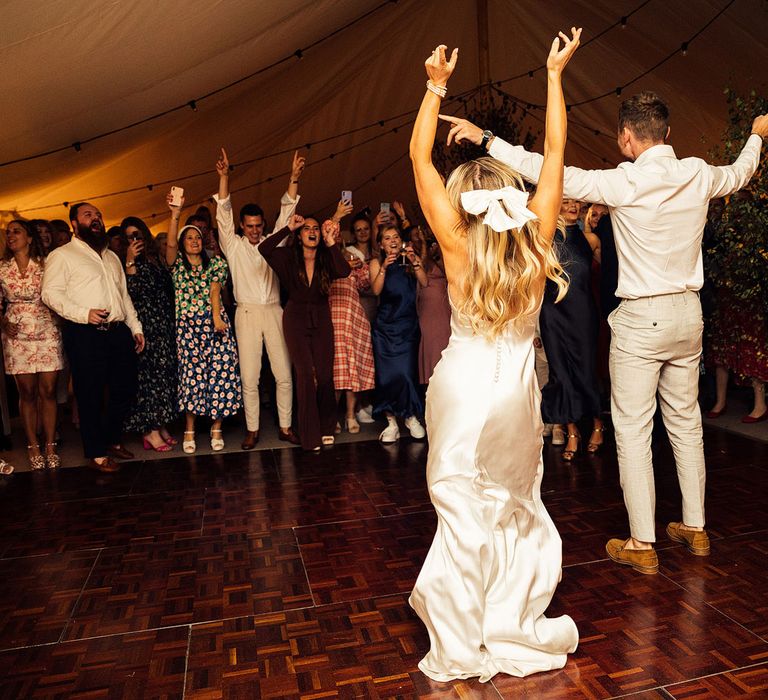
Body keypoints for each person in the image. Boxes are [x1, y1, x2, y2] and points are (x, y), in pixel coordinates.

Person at [443, 93, 768, 573]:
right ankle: (695, 527)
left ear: (626, 138)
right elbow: (741, 172)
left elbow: (547, 169)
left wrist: (487, 139)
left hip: (642, 318)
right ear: (668, 135)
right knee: (686, 422)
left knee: (634, 431)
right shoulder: (698, 172)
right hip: (688, 314)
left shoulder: (623, 181)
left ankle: (643, 542)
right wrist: (758, 136)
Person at [408, 32, 581, 681]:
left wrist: (435, 85)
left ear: (466, 198)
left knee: (459, 508)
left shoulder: (454, 241)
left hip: (460, 383)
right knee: (512, 505)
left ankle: (460, 635)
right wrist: (555, 76)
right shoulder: (536, 237)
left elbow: (418, 153)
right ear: (510, 194)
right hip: (513, 390)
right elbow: (558, 151)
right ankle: (506, 617)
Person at [41, 203, 144, 473]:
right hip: (85, 332)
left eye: (98, 215)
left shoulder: (111, 257)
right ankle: (96, 452)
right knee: (90, 394)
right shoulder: (62, 255)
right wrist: (83, 313)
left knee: (126, 389)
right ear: (74, 222)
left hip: (117, 330)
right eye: (88, 215)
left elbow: (124, 296)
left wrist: (136, 327)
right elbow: (50, 293)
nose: (95, 218)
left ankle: (111, 439)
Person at [213, 148, 302, 449]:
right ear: (242, 226)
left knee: (282, 373)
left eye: (258, 225)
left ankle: (286, 427)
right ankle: (252, 430)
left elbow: (287, 213)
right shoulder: (233, 246)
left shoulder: (273, 243)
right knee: (249, 376)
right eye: (249, 226)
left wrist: (293, 179)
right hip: (247, 313)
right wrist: (224, 178)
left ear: (264, 225)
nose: (254, 231)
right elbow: (223, 212)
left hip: (274, 310)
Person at [260, 215, 351, 451]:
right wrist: (287, 228)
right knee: (304, 377)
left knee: (324, 376)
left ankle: (327, 427)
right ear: (299, 236)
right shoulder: (288, 257)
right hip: (295, 318)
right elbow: (264, 247)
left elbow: (344, 271)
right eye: (306, 229)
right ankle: (309, 435)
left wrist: (331, 243)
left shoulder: (326, 257)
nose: (312, 232)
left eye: (316, 229)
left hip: (321, 317)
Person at [166, 193, 241, 453]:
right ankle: (190, 430)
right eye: (189, 237)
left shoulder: (217, 263)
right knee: (192, 378)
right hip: (188, 328)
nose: (194, 241)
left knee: (220, 374)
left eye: (198, 237)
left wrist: (217, 318)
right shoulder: (176, 266)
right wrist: (176, 214)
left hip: (215, 324)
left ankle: (216, 428)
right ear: (182, 242)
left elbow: (215, 291)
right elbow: (170, 248)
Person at [538, 198, 604, 460]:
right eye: (565, 201)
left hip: (583, 314)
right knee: (560, 372)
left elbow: (611, 276)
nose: (573, 206)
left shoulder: (591, 240)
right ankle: (572, 430)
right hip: (552, 314)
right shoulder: (543, 240)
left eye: (577, 202)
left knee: (587, 369)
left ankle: (598, 424)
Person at [0, 220, 65, 469]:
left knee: (48, 391)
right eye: (8, 233)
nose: (11, 235)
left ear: (29, 238)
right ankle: (32, 445)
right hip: (16, 334)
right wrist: (3, 324)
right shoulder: (2, 268)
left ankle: (50, 444)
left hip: (47, 328)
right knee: (26, 392)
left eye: (16, 231)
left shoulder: (47, 264)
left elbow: (59, 292)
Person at [121, 216, 178, 451]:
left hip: (164, 324)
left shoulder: (156, 259)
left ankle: (161, 425)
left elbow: (168, 285)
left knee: (165, 377)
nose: (135, 239)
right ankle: (150, 431)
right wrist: (129, 261)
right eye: (129, 236)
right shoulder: (128, 262)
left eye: (138, 234)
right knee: (150, 380)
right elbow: (131, 292)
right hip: (145, 326)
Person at [369, 225, 428, 442]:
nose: (392, 240)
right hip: (385, 329)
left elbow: (425, 281)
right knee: (387, 377)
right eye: (387, 238)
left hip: (408, 327)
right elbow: (375, 290)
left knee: (406, 374)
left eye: (396, 237)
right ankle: (391, 421)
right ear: (381, 244)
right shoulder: (376, 263)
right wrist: (384, 267)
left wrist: (414, 261)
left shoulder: (408, 262)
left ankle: (411, 417)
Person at [327, 206, 376, 433]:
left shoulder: (352, 257)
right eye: (332, 238)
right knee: (336, 369)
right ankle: (334, 417)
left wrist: (360, 267)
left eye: (338, 239)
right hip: (333, 316)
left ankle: (350, 415)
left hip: (353, 315)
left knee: (352, 367)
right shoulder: (323, 261)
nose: (336, 242)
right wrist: (337, 216)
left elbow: (367, 285)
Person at [411, 225, 451, 385]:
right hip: (427, 305)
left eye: (422, 235)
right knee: (430, 342)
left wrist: (437, 249)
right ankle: (430, 385)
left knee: (444, 340)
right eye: (416, 235)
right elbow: (423, 268)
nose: (420, 237)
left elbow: (448, 270)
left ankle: (445, 383)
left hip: (442, 303)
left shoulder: (443, 252)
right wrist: (425, 248)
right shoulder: (411, 254)